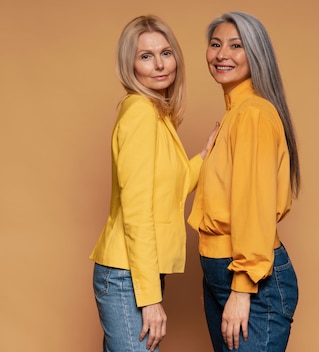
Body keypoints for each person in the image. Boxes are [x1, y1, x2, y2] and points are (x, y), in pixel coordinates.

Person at [89, 15, 218, 352]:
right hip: (127, 276)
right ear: (130, 65)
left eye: (166, 52)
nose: (160, 64)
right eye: (146, 56)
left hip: (133, 271)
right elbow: (137, 213)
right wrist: (149, 299)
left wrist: (205, 155)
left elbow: (169, 190)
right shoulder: (141, 115)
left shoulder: (154, 114)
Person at [188, 11, 301, 352]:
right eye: (216, 44)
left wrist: (242, 287)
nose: (222, 54)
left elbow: (254, 206)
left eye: (236, 46)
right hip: (220, 270)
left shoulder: (252, 115)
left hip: (250, 278)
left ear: (256, 54)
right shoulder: (235, 115)